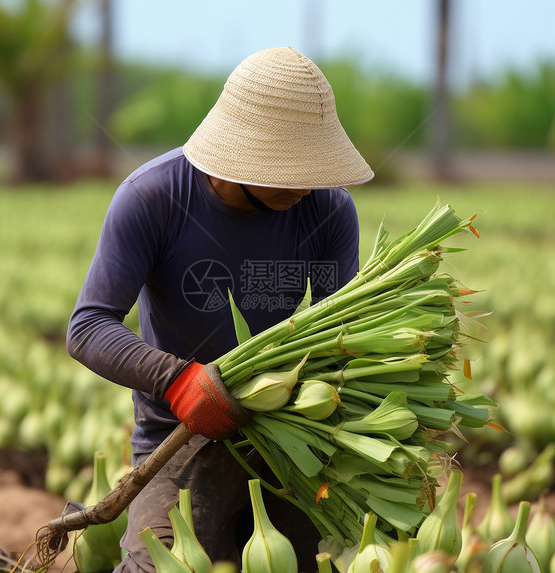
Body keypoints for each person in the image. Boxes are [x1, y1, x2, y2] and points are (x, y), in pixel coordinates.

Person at [67, 46, 374, 572]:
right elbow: (88, 327)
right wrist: (179, 380)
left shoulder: (328, 210)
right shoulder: (152, 198)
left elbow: (333, 336)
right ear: (242, 155)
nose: (306, 183)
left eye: (313, 168)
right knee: (160, 565)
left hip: (292, 438)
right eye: (289, 169)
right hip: (179, 437)